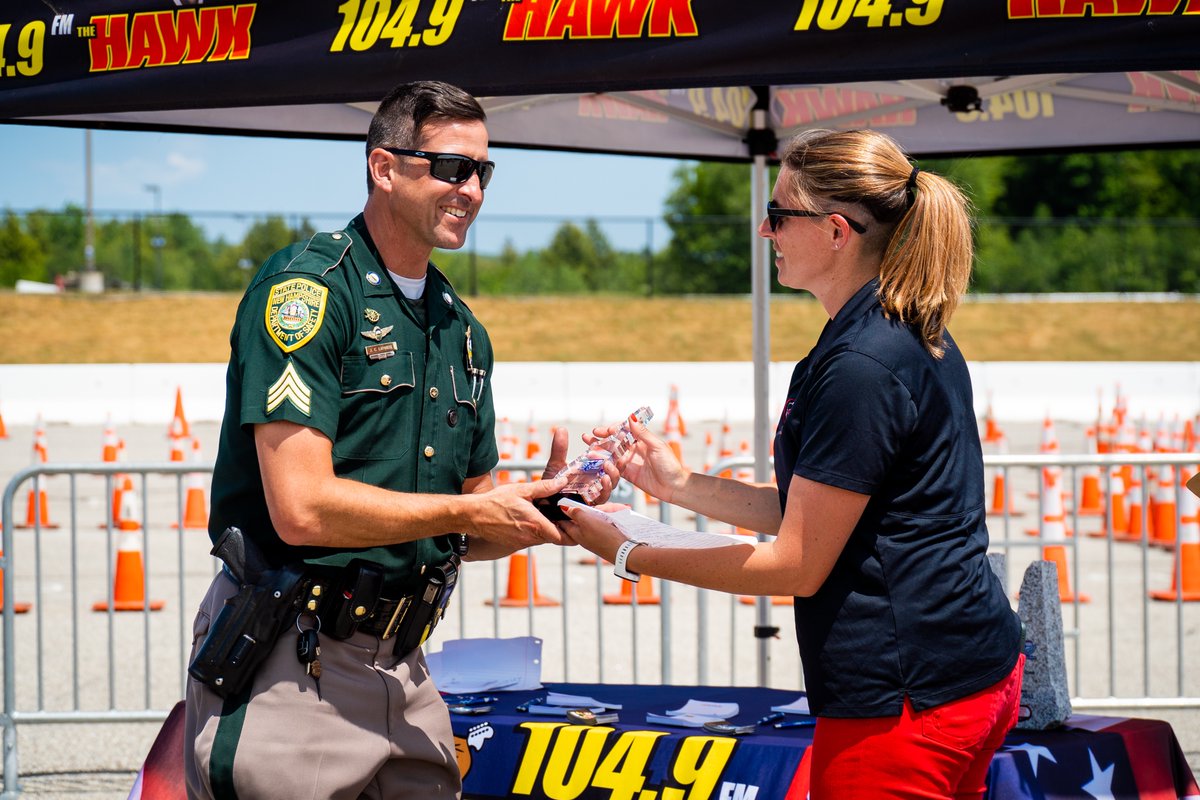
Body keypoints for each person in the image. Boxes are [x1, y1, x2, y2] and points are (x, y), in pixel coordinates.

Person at [560, 129, 1025, 800]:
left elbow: (798, 564)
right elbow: (822, 510)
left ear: (836, 232)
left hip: (905, 698)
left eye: (779, 215)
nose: (763, 230)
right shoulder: (884, 332)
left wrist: (629, 550)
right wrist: (676, 485)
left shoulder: (863, 363)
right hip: (956, 669)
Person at [184, 80, 603, 800]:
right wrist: (468, 513)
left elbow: (467, 521)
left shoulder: (460, 328)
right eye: (451, 167)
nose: (470, 189)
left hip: (405, 670)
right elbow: (302, 508)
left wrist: (543, 511)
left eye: (482, 171)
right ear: (384, 167)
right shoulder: (309, 291)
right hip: (295, 663)